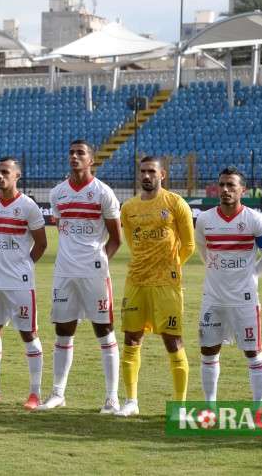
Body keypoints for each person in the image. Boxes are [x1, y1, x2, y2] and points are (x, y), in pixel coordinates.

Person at [38, 140, 122, 413]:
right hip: (64, 272)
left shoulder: (103, 193)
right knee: (63, 330)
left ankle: (111, 398)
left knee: (104, 330)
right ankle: (58, 393)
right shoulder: (57, 194)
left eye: (80, 153)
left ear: (91, 161)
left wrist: (97, 262)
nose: (74, 157)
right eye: (71, 153)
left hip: (94, 273)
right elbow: (62, 229)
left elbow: (116, 239)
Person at [116, 156, 195, 416]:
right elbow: (131, 241)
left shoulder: (175, 203)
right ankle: (131, 402)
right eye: (143, 171)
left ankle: (179, 406)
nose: (146, 175)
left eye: (152, 171)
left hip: (166, 285)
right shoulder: (128, 208)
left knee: (173, 341)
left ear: (162, 175)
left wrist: (172, 267)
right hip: (136, 281)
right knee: (131, 339)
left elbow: (189, 245)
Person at [0, 157, 47, 410]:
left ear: (17, 176)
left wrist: (23, 266)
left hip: (19, 283)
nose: (0, 176)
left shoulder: (28, 207)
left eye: (5, 172)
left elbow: (42, 243)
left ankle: (34, 394)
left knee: (28, 333)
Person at [196, 167, 262, 403]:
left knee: (253, 353)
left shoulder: (255, 220)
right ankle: (210, 406)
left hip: (245, 299)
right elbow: (203, 252)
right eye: (222, 185)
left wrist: (252, 277)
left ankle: (258, 409)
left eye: (231, 185)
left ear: (243, 190)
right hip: (213, 298)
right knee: (208, 352)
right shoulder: (204, 220)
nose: (225, 190)